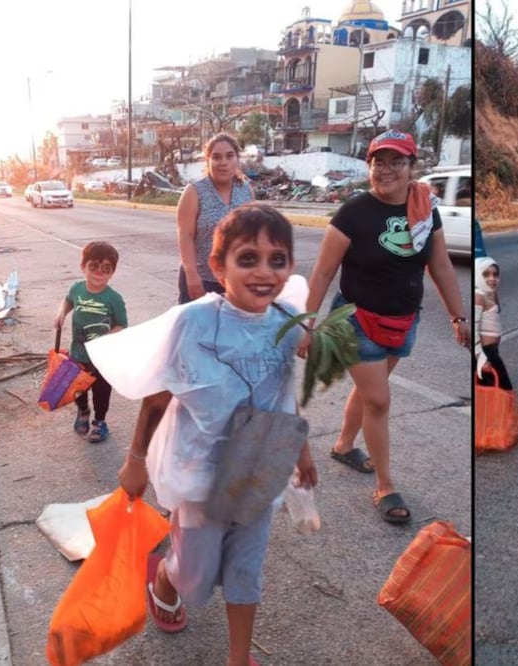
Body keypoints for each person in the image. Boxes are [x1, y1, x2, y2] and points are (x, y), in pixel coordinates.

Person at [96, 204, 317, 666]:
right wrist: (135, 459)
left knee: (244, 570)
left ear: (290, 266)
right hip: (198, 474)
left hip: (260, 468)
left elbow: (281, 391)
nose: (264, 272)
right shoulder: (192, 323)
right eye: (248, 259)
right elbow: (157, 395)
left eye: (277, 260)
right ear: (218, 266)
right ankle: (167, 577)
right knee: (197, 579)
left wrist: (301, 451)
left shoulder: (284, 322)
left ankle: (239, 658)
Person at [299, 129, 470, 524]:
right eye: (379, 161)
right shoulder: (353, 214)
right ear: (369, 166)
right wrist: (306, 325)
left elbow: (440, 265)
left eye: (398, 161)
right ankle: (385, 485)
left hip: (403, 319)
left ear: (413, 167)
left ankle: (343, 445)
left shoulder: (425, 209)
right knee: (378, 399)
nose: (387, 169)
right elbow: (323, 273)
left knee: (369, 390)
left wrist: (458, 316)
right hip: (356, 320)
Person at [52, 241, 128, 444]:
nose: (99, 273)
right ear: (82, 266)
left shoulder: (114, 299)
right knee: (77, 388)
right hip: (79, 354)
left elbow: (122, 324)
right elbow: (68, 300)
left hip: (103, 358)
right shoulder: (77, 289)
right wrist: (61, 313)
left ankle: (100, 421)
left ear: (112, 272)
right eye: (93, 266)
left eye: (106, 269)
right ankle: (83, 411)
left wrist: (109, 336)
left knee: (101, 392)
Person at [176, 132, 254, 304]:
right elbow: (185, 235)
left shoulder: (246, 190)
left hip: (235, 281)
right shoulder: (194, 191)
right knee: (198, 330)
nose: (223, 163)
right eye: (216, 157)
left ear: (237, 159)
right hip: (202, 278)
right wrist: (192, 274)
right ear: (208, 160)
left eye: (229, 156)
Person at [475, 256, 511, 390]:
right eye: (485, 274)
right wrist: (481, 357)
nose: (492, 278)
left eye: (495, 275)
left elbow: (498, 309)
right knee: (503, 388)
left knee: (494, 389)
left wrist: (493, 292)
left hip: (492, 350)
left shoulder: (486, 294)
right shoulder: (478, 297)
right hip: (485, 352)